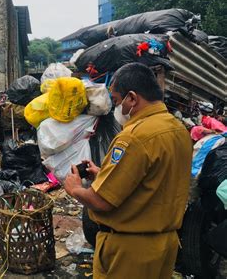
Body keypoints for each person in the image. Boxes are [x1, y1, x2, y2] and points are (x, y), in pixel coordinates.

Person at [64, 63, 192, 279]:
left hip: (130, 251)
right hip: (165, 245)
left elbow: (101, 201)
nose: (116, 108)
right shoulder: (178, 129)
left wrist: (75, 189)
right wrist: (103, 173)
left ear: (131, 98)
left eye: (115, 100)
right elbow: (154, 180)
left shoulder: (133, 137)